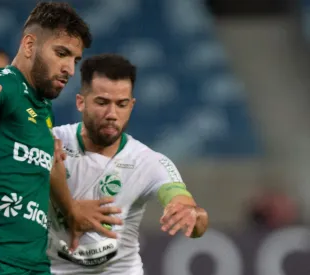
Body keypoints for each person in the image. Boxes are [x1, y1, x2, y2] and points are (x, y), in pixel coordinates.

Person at [0, 2, 122, 275]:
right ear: (30, 45)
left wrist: (71, 211)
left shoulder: (44, 109)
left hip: (30, 264)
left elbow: (50, 163)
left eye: (75, 60)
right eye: (61, 53)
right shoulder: (5, 84)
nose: (69, 68)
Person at [48, 54, 209, 275]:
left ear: (131, 105)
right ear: (80, 102)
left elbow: (189, 212)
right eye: (102, 102)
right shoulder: (51, 143)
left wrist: (192, 214)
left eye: (121, 104)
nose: (112, 114)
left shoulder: (148, 162)